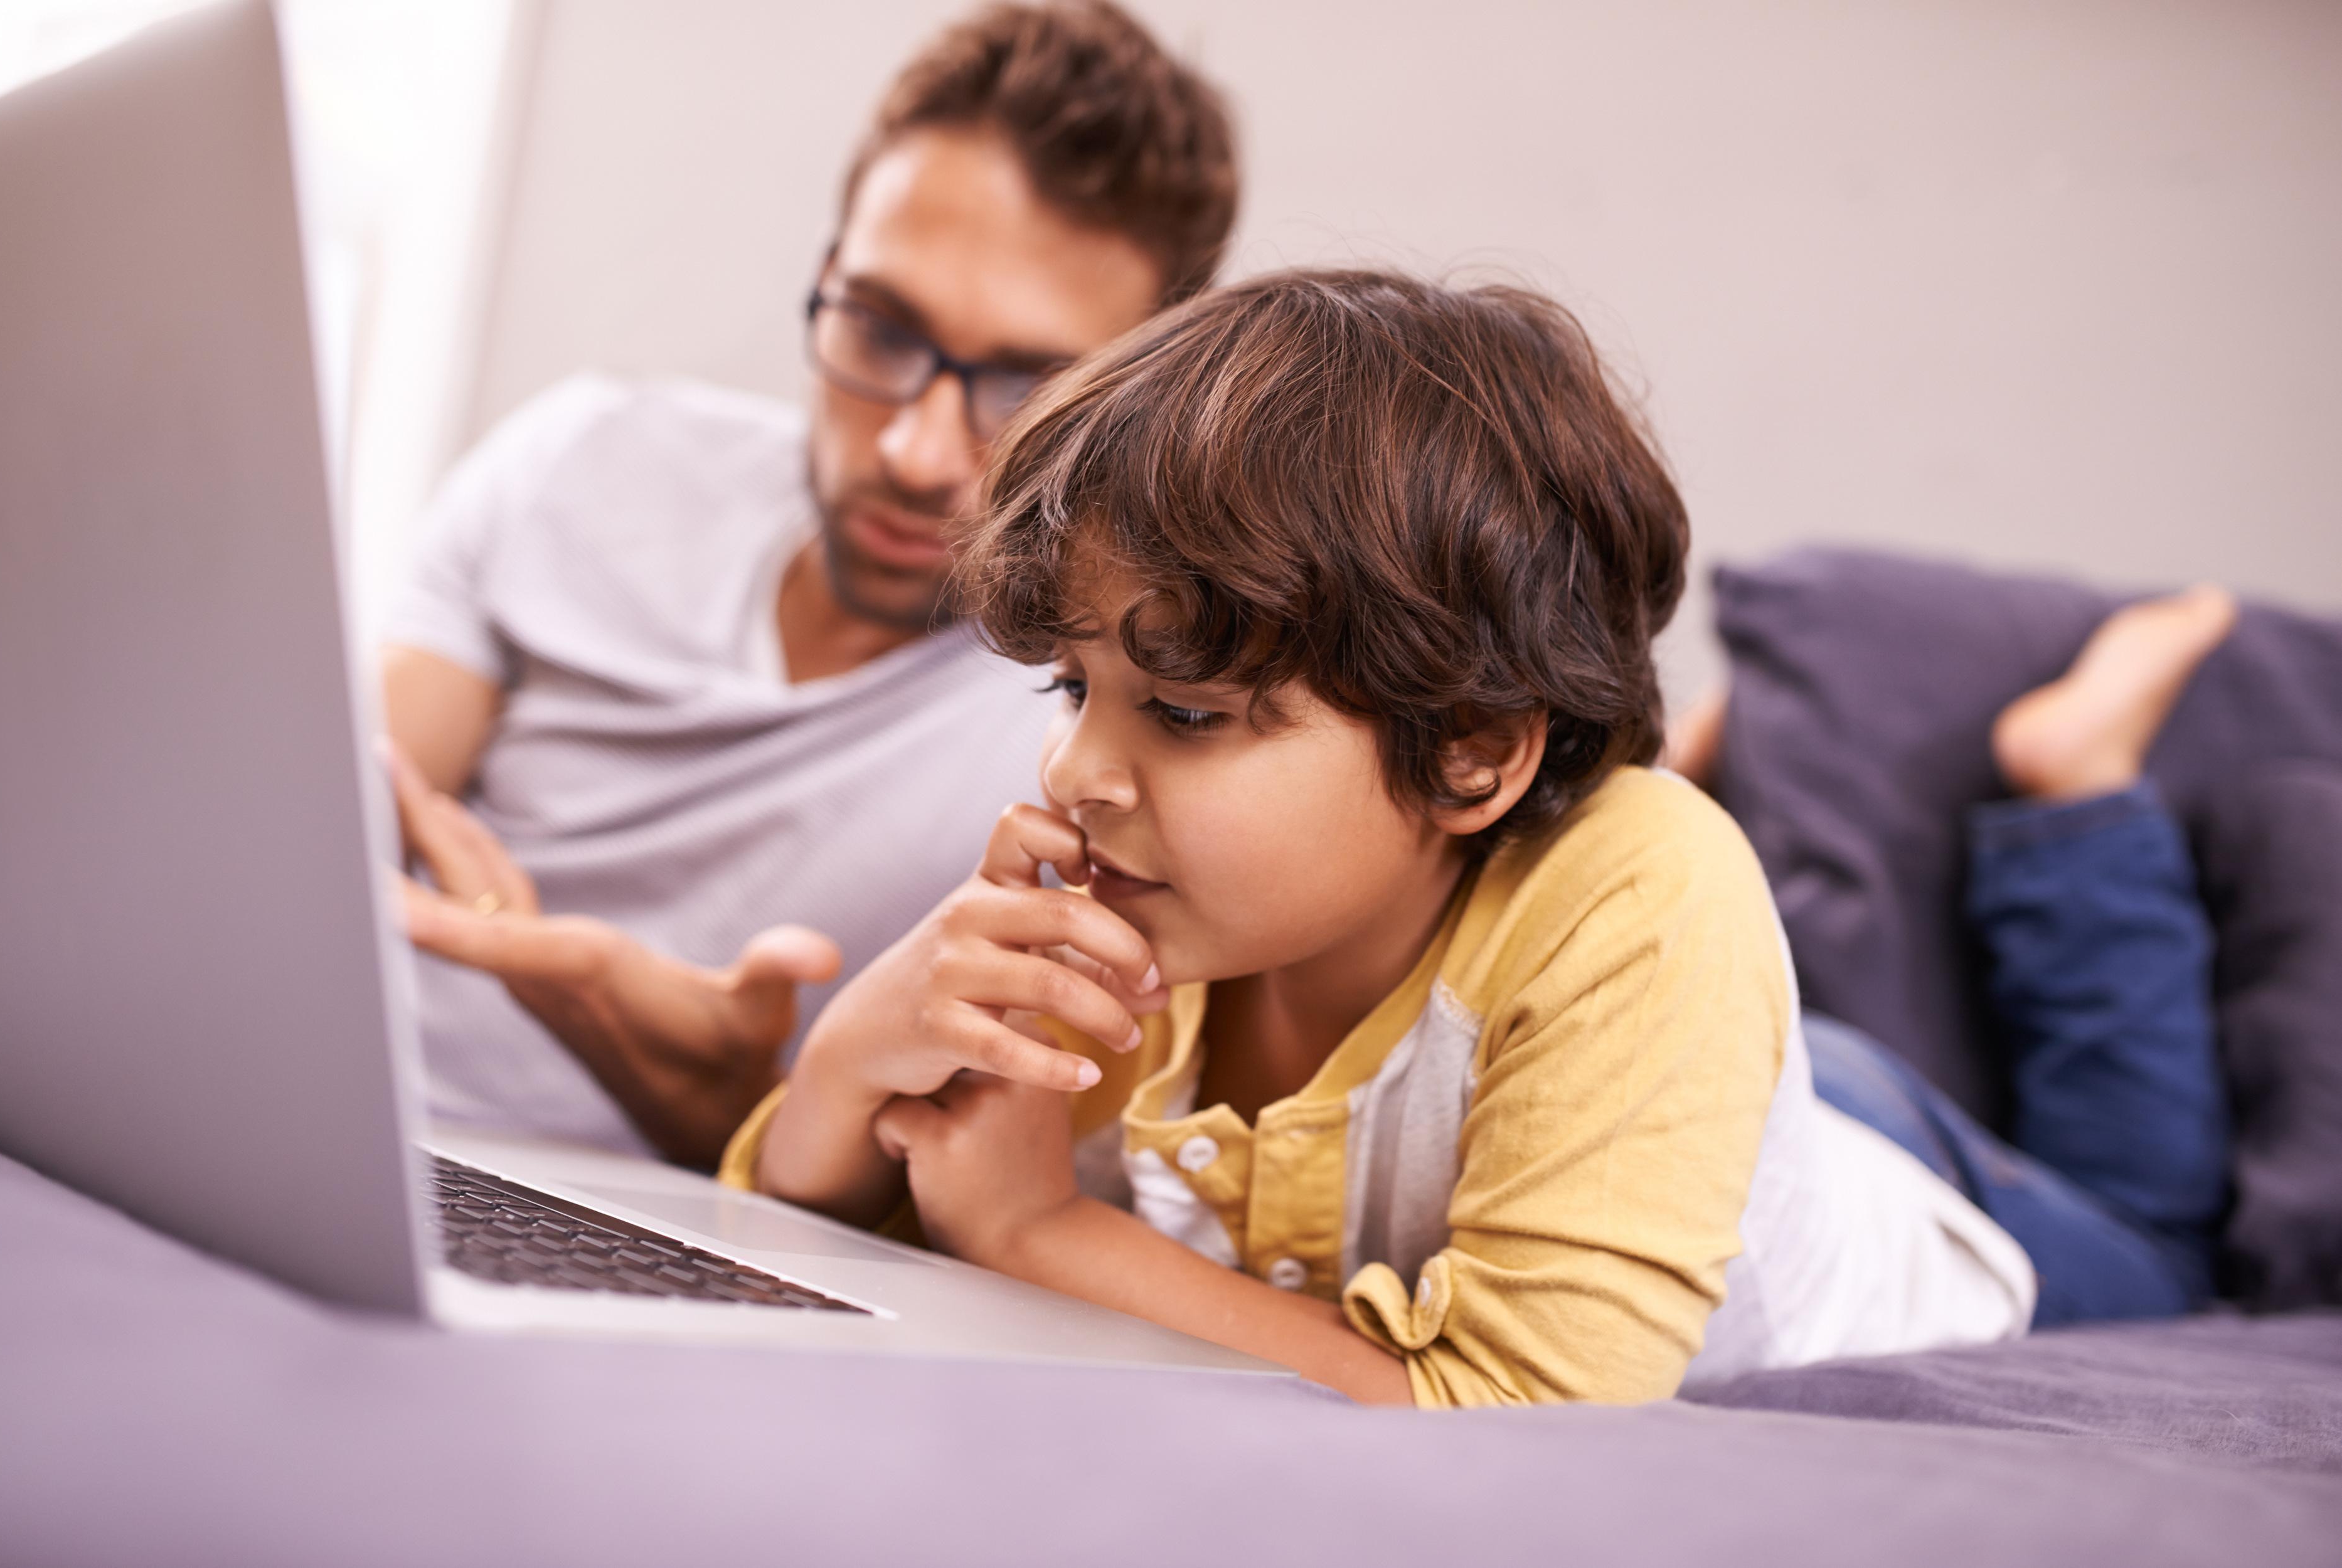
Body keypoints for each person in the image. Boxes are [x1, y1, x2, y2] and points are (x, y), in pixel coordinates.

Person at [720, 269, 2045, 1407]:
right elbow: (872, 1220)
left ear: (1469, 746)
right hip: (1606, 1046)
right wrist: (846, 1065)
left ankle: (2076, 797)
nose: (1074, 770)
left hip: (1893, 1182)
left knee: (2154, 1213)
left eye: (1186, 710)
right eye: (1074, 689)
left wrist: (1041, 1230)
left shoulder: (1649, 895)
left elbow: (1523, 1412)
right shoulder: (1152, 898)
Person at [379, 1, 1239, 1168]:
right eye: (881, 331)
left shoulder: (1105, 743)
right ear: (829, 276)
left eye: (1023, 389)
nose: (915, 455)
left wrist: (724, 1108)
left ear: (1129, 414)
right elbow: (305, 843)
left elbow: (916, 1211)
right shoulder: (582, 462)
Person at [1668, 587, 2237, 1325]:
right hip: (1793, 1069)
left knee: (2152, 1253)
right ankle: (2082, 801)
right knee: (2161, 1260)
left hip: (1781, 1084)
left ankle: (2084, 800)